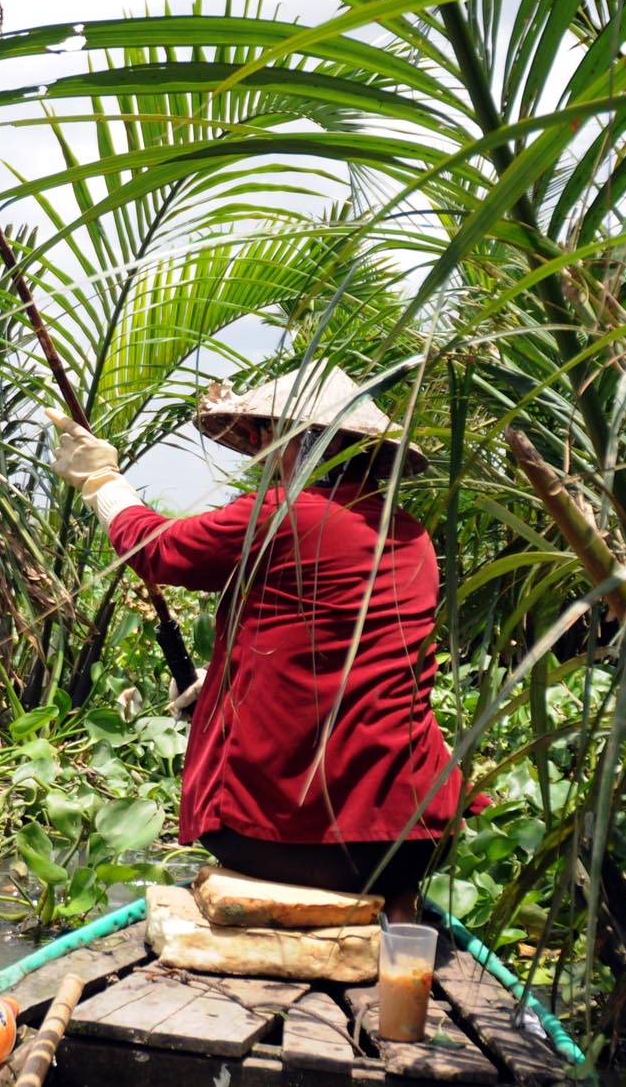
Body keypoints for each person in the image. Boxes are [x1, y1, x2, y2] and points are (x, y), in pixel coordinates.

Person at [47, 366, 462, 922]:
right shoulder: (411, 533)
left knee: (242, 829)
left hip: (299, 843)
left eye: (267, 438)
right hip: (413, 840)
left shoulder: (284, 515)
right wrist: (216, 688)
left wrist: (102, 483)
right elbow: (327, 651)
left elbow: (156, 549)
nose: (261, 455)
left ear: (300, 443)